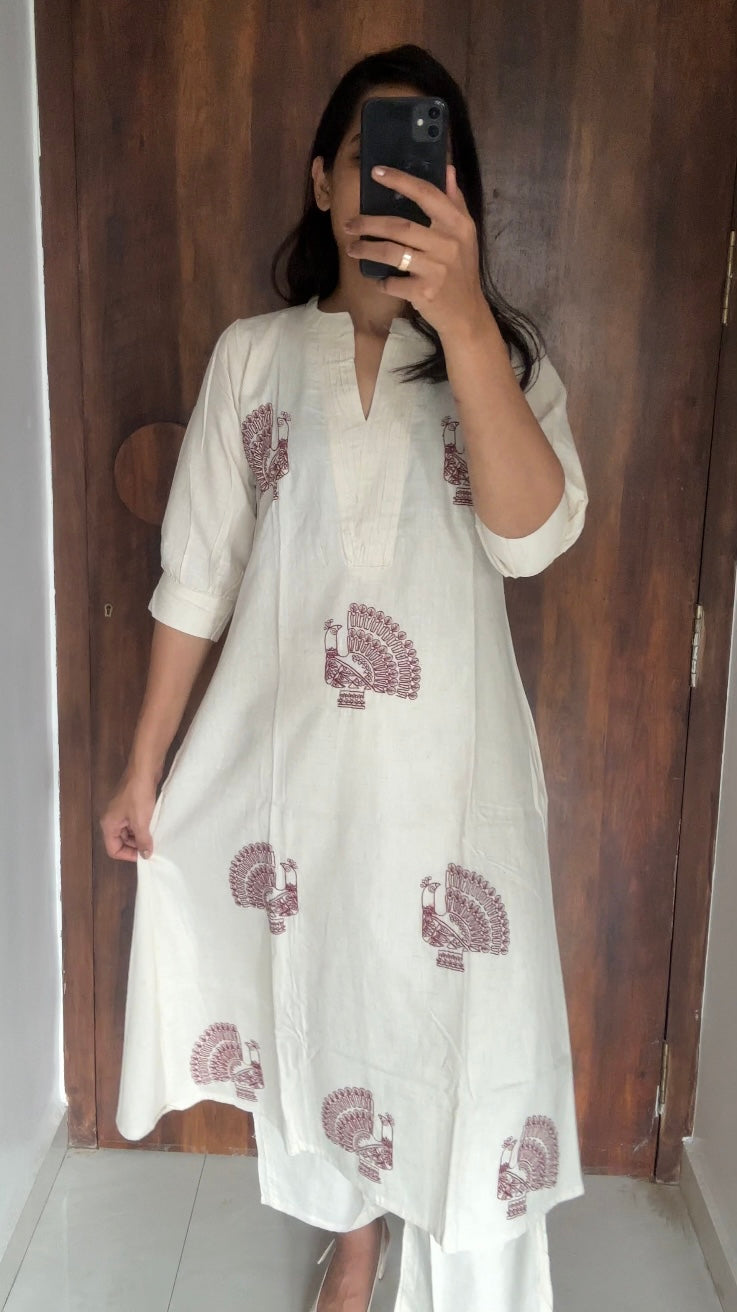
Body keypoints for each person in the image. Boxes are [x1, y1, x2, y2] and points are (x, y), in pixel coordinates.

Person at [101, 42, 588, 1312]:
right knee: (320, 993)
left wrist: (464, 320)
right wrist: (145, 766)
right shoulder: (253, 357)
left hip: (453, 786)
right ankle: (354, 1237)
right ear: (323, 181)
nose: (392, 187)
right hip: (295, 780)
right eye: (370, 161)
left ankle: (456, 1237)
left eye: (425, 167)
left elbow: (530, 538)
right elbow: (197, 574)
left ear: (458, 195)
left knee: (452, 1012)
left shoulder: (502, 360)